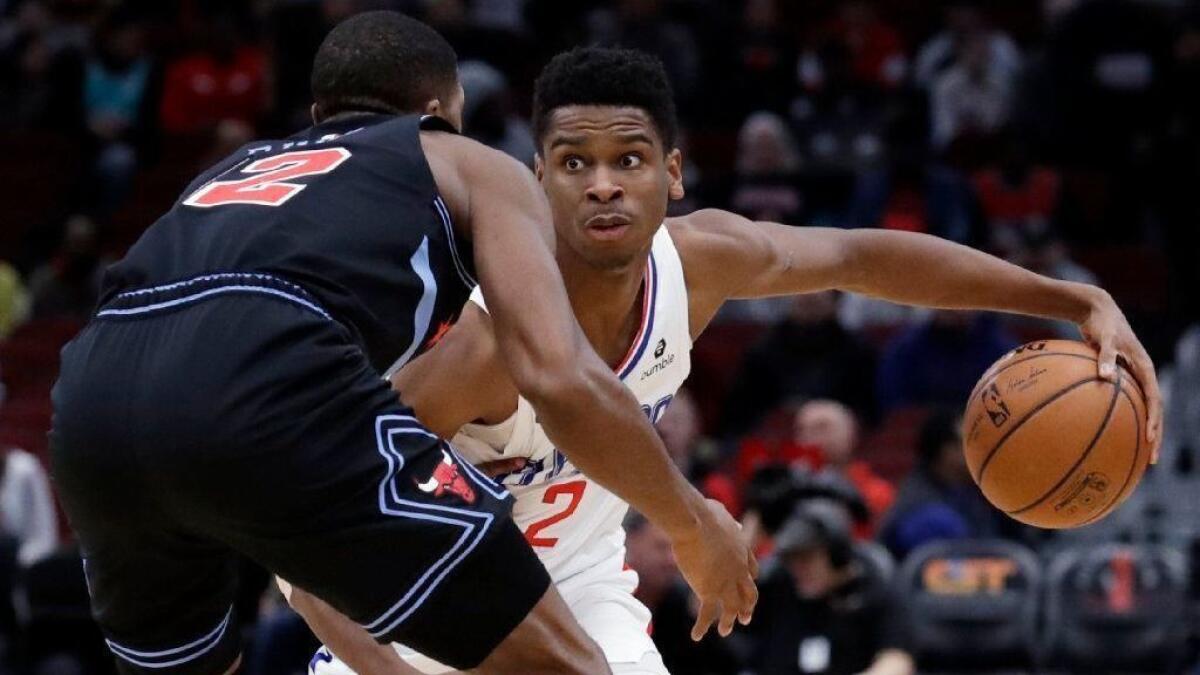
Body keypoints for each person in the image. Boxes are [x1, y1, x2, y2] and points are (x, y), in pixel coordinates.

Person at [289, 45, 1162, 674]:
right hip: (423, 618)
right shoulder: (483, 343)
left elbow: (865, 257)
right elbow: (302, 530)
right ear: (534, 179)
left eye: (628, 159)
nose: (602, 183)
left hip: (581, 596)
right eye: (574, 162)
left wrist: (1072, 299)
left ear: (672, 173)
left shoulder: (699, 261)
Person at [49, 15, 755, 675]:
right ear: (441, 109)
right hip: (265, 377)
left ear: (321, 116)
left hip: (92, 407)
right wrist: (693, 522)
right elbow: (557, 374)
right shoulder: (460, 159)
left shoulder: (229, 174)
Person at [744, 499, 914, 675]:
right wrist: (741, 546)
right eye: (791, 559)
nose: (797, 569)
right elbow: (718, 611)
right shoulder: (779, 585)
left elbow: (896, 662)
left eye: (806, 559)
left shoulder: (875, 587)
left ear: (836, 553)